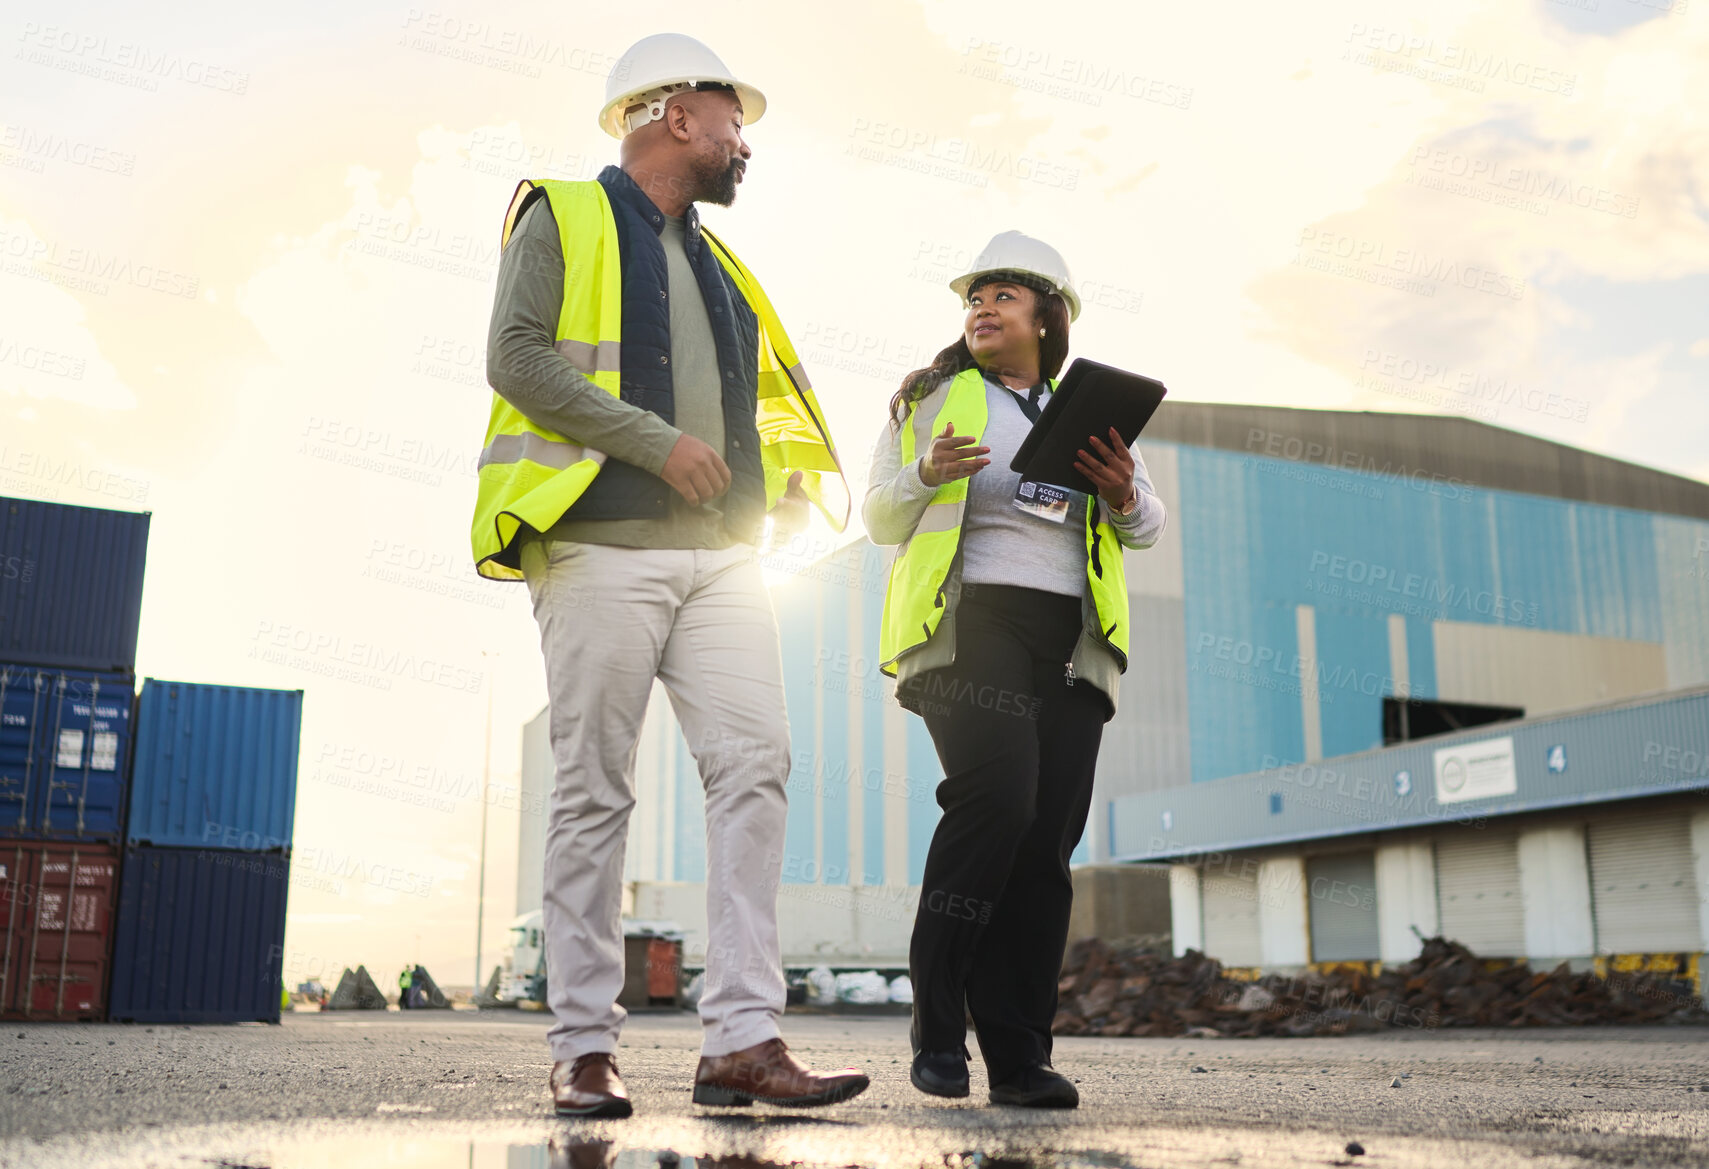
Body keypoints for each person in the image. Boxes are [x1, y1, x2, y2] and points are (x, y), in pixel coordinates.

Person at [474, 33, 866, 1118]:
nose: (745, 142)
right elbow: (516, 355)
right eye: (732, 117)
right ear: (674, 115)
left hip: (725, 559)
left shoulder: (725, 267)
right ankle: (583, 1046)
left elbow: (749, 408)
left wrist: (773, 484)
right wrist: (653, 443)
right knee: (595, 790)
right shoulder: (561, 211)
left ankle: (741, 1036)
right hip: (599, 544)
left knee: (756, 768)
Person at [863, 232, 1167, 1108]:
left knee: (1044, 847)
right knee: (997, 799)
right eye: (974, 297)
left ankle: (1020, 1056)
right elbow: (881, 516)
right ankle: (937, 1023)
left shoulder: (1092, 409)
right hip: (970, 622)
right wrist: (923, 471)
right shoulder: (930, 397)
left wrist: (1119, 491)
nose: (981, 308)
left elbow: (1148, 527)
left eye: (1002, 295)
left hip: (1069, 640)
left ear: (1047, 315)